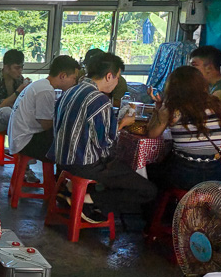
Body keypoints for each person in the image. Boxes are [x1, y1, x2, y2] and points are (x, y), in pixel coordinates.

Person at [51, 52, 157, 222]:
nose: (116, 83)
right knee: (148, 190)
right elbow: (105, 142)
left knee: (119, 172)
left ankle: (76, 193)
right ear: (109, 76)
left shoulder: (68, 92)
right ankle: (88, 200)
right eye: (117, 78)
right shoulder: (98, 100)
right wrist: (122, 124)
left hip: (61, 161)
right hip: (84, 165)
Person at [146, 66, 221, 190]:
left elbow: (152, 133)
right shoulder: (215, 104)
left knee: (150, 170)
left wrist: (158, 107)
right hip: (215, 172)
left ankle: (164, 207)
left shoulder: (172, 108)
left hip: (185, 173)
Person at [8, 55, 80, 163]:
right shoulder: (45, 90)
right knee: (69, 141)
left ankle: (61, 176)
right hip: (26, 142)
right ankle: (62, 176)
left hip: (20, 138)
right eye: (74, 78)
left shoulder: (41, 85)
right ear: (63, 76)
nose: (74, 83)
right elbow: (46, 124)